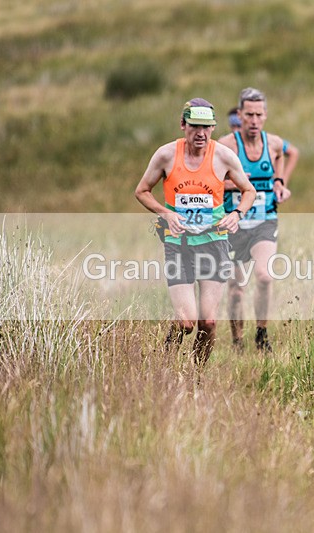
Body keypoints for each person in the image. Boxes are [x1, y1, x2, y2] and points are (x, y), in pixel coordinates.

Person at [135, 98, 256, 368]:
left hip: (215, 243)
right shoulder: (166, 155)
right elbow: (141, 190)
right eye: (194, 126)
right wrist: (165, 213)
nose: (200, 133)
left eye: (207, 127)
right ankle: (164, 365)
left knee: (208, 323)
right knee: (186, 322)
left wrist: (236, 214)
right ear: (183, 125)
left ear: (213, 128)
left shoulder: (224, 156)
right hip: (178, 243)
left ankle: (196, 377)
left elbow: (249, 190)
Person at [218, 87, 292, 352]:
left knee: (264, 276)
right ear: (239, 115)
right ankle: (237, 341)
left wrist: (280, 183)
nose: (253, 120)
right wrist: (238, 186)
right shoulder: (226, 145)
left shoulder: (272, 143)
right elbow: (212, 179)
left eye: (259, 115)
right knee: (237, 288)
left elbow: (283, 156)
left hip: (265, 219)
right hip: (234, 223)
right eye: (248, 114)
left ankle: (261, 335)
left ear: (265, 116)